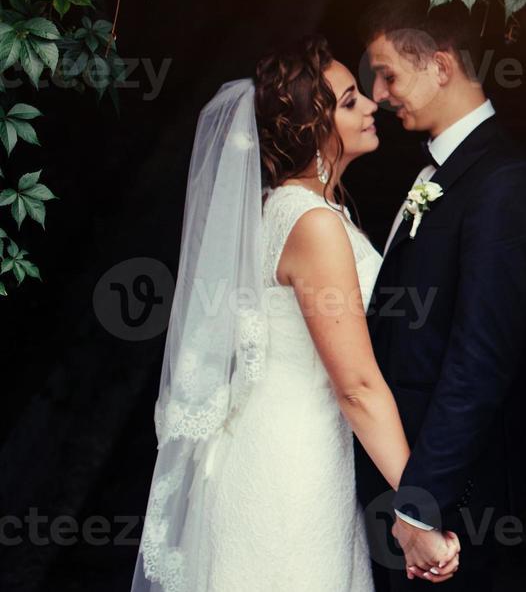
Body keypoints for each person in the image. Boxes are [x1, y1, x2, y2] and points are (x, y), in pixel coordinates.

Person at [132, 36, 459, 592]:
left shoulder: (293, 210)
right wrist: (418, 507)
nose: (372, 105)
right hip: (290, 468)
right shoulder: (312, 224)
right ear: (313, 126)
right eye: (351, 100)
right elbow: (355, 385)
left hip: (291, 448)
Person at [356, 0, 526, 591]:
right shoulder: (440, 172)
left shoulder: (503, 183)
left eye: (387, 76)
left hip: (457, 504)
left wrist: (420, 505)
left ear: (439, 66)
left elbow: (480, 360)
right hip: (408, 488)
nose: (379, 95)